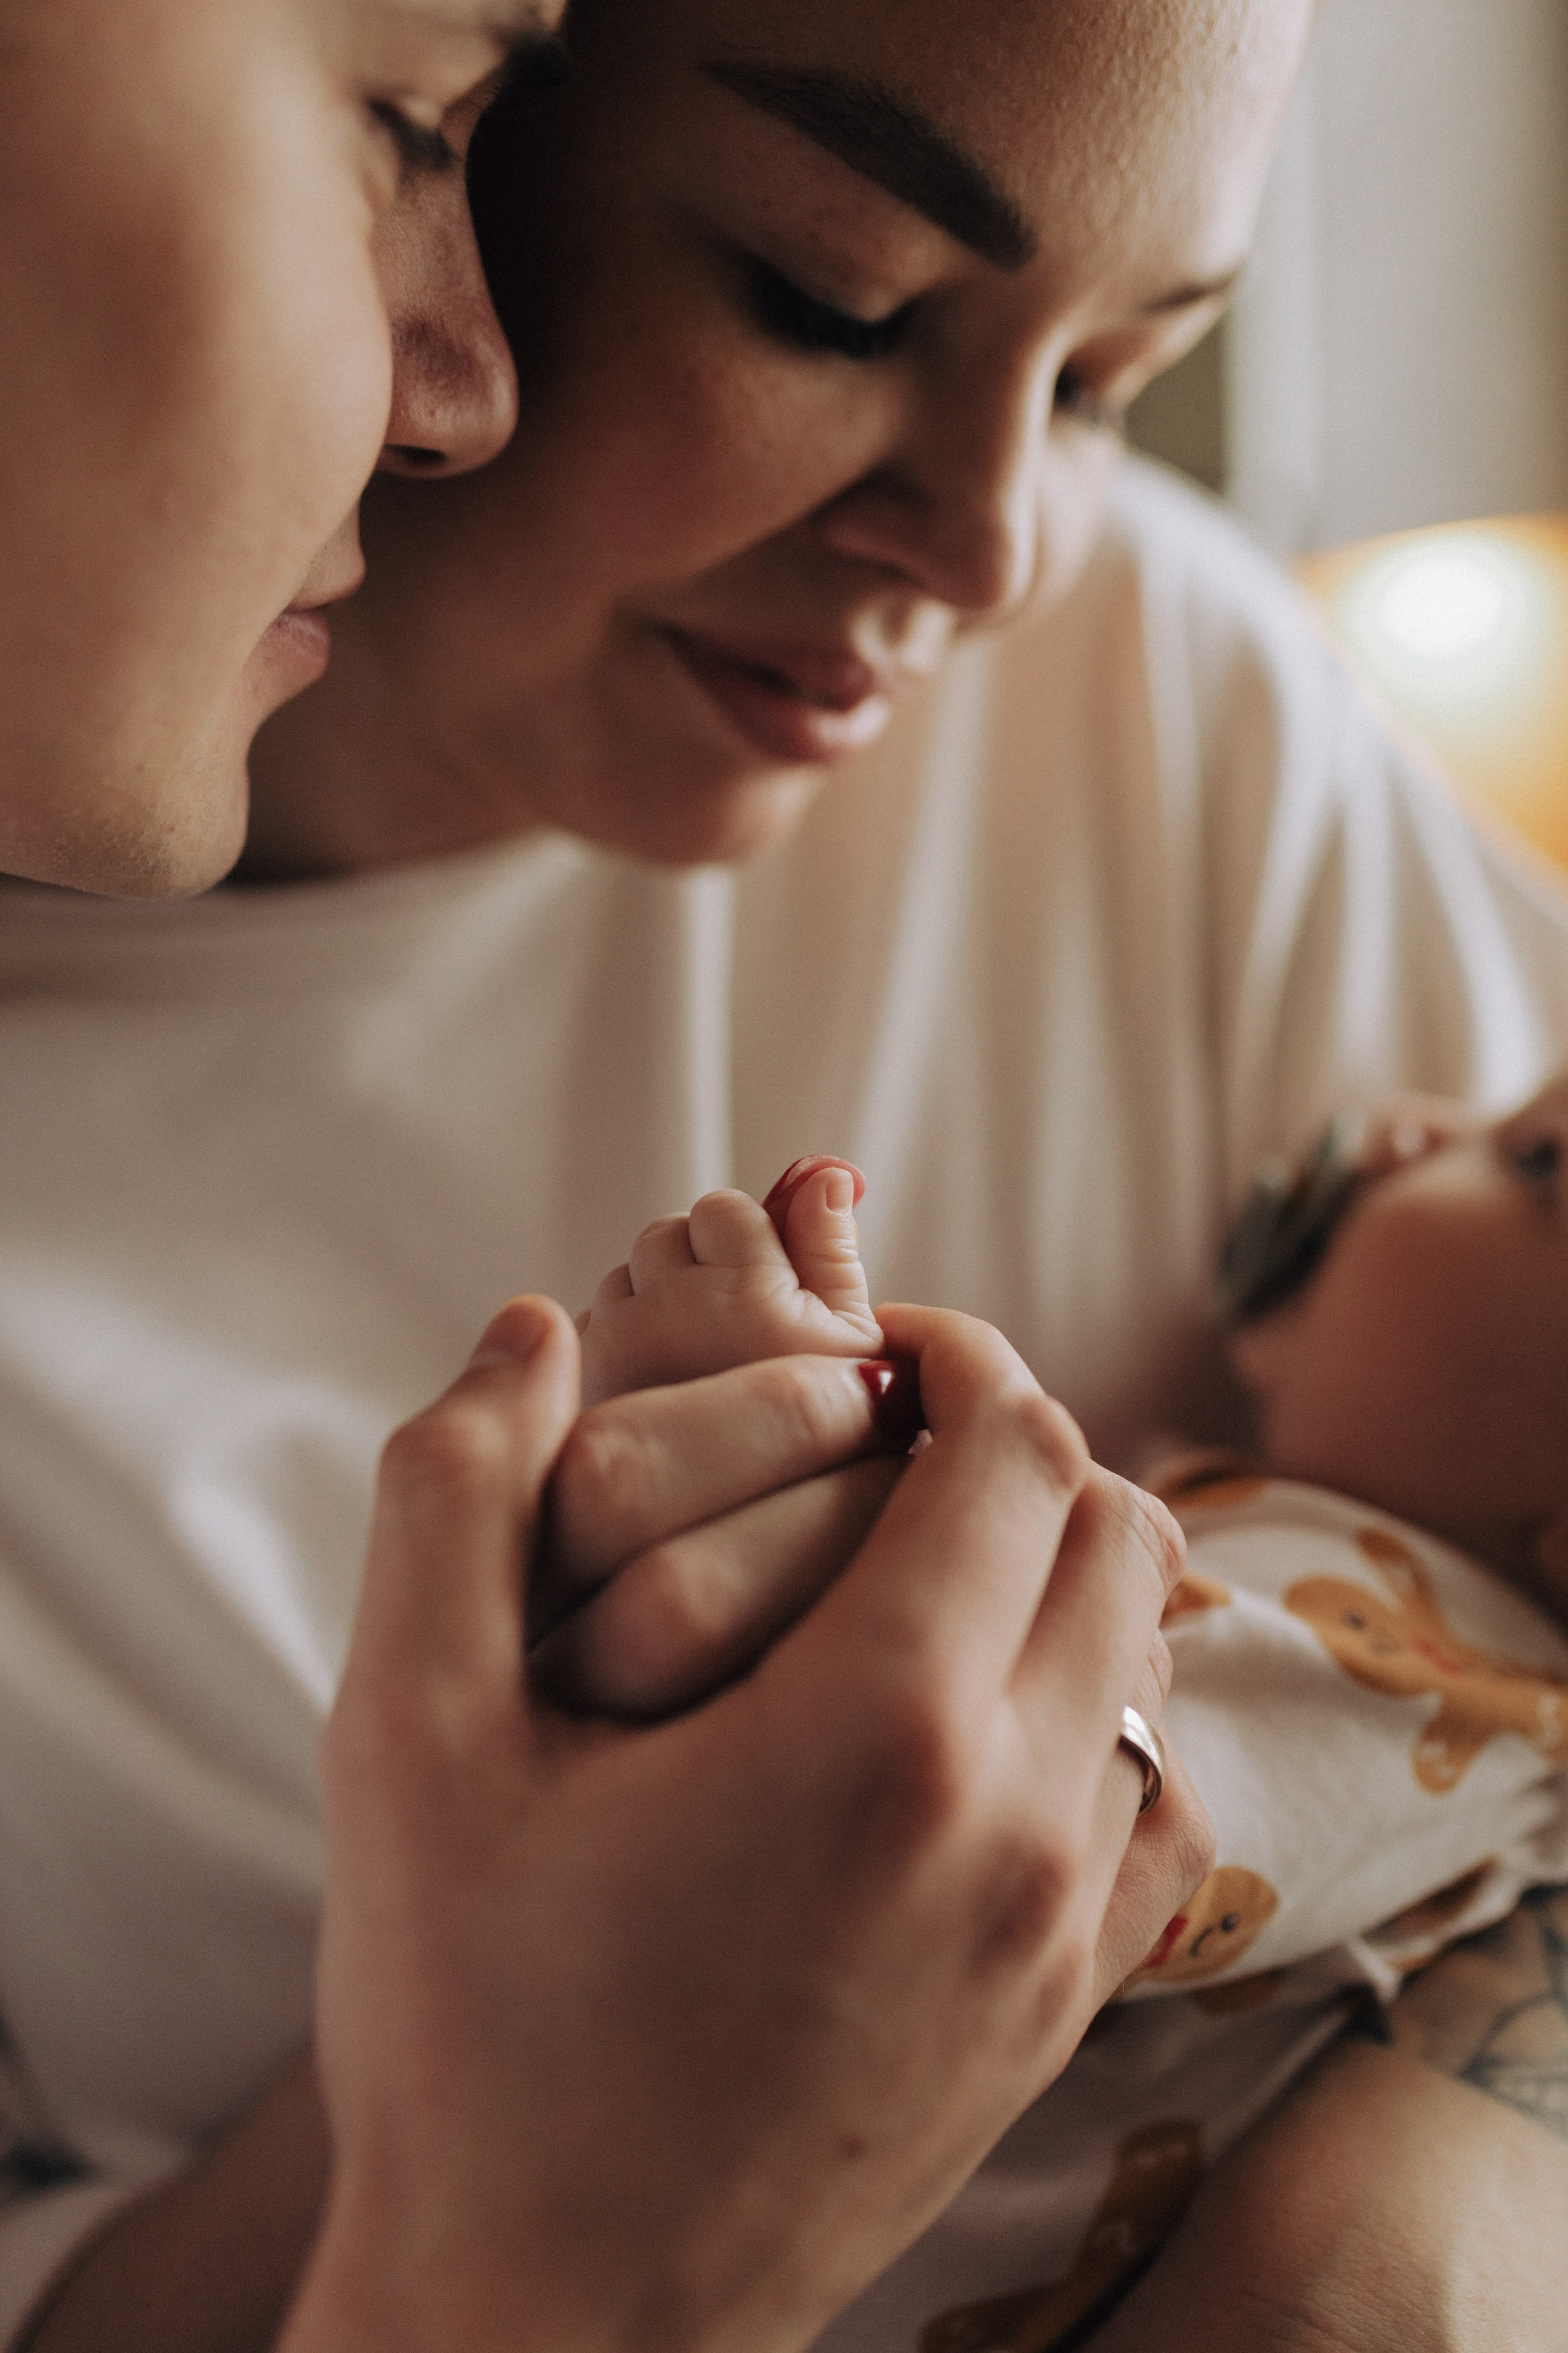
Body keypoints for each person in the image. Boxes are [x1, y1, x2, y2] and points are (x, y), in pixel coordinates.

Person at [2, 0, 1562, 2344]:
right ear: (482, 110)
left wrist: (1420, 2214)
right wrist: (627, 2014)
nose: (1007, 541)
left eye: (1118, 376)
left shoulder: (1152, 703)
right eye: (828, 300)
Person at [560, 1123, 1568, 2344]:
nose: (1416, 1127)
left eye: (1531, 1167)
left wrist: (830, 1459)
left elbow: (1045, 1822)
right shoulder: (1313, 1569)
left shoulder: (1438, 1677)